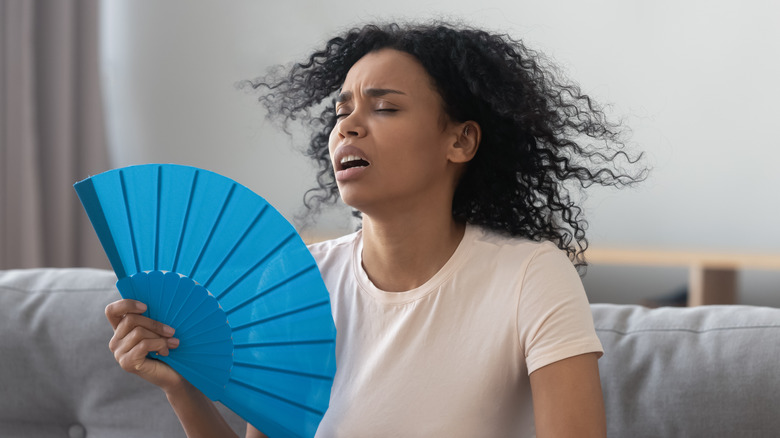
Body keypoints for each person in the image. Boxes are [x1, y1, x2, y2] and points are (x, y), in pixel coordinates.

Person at [105, 21, 645, 437]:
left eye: (384, 107)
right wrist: (181, 390)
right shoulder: (299, 281)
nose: (349, 126)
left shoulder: (531, 276)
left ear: (460, 142)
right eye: (341, 113)